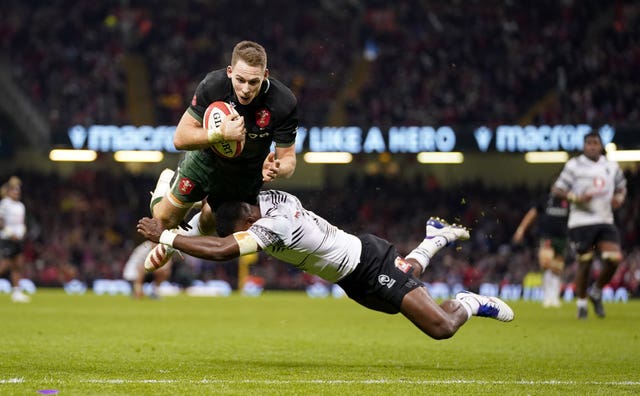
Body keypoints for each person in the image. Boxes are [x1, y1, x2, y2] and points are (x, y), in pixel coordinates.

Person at [137, 190, 514, 340]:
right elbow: (212, 212)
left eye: (238, 231)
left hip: (367, 262)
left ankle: (469, 301)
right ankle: (434, 238)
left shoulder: (274, 226)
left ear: (248, 220)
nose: (239, 236)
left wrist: (166, 237)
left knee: (441, 326)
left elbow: (222, 250)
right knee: (407, 283)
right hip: (353, 275)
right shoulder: (263, 199)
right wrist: (176, 223)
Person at [145, 40, 298, 271]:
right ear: (230, 72)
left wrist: (277, 168)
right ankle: (167, 184)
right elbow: (180, 138)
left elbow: (289, 160)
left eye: (254, 82)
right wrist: (219, 133)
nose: (246, 88)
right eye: (240, 80)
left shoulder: (283, 102)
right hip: (205, 162)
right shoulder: (213, 85)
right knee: (163, 221)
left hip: (246, 175)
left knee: (211, 223)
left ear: (265, 75)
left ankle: (172, 242)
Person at [551, 131, 627, 319]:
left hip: (605, 219)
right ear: (584, 146)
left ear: (601, 146)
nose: (592, 146)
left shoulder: (611, 166)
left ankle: (596, 291)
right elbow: (557, 189)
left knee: (614, 258)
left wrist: (619, 198)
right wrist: (574, 197)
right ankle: (582, 304)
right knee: (585, 262)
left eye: (595, 143)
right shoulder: (574, 165)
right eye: (588, 143)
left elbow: (622, 186)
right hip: (581, 221)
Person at [513, 192, 569, 308]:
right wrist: (521, 229)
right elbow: (532, 213)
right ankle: (548, 297)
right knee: (546, 263)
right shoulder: (545, 199)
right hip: (547, 236)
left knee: (557, 267)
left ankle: (554, 297)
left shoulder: (569, 200)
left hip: (563, 237)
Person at [0, 176, 31, 303]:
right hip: (7, 238)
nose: (17, 193)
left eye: (18, 190)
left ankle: (16, 292)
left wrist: (22, 231)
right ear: (8, 191)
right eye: (14, 190)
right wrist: (9, 232)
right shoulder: (4, 204)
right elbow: (1, 222)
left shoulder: (20, 206)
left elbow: (22, 222)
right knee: (4, 265)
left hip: (18, 239)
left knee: (17, 265)